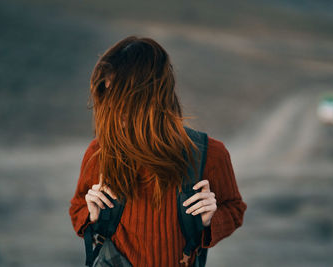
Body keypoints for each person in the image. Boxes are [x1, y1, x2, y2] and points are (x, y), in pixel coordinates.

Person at [69, 36, 247, 267]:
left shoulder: (209, 154)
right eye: (108, 92)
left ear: (152, 94)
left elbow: (235, 209)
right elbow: (77, 209)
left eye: (121, 94)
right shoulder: (99, 153)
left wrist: (212, 219)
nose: (111, 105)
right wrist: (91, 216)